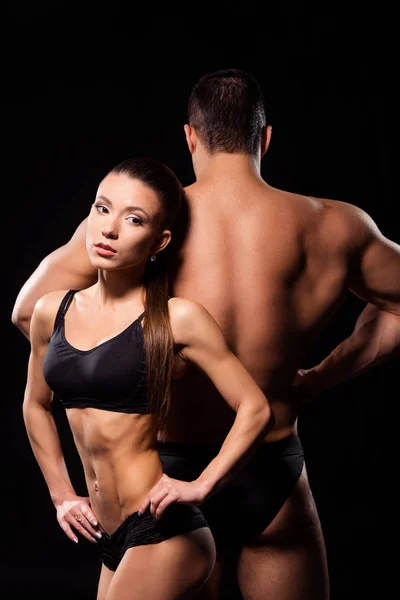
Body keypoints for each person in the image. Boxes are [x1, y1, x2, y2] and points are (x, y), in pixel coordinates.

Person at [12, 69, 400, 600]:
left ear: (189, 137)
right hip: (270, 463)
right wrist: (320, 378)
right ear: (265, 139)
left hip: (163, 470)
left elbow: (30, 311)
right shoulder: (336, 225)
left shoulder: (146, 220)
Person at [20, 155, 272, 600]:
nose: (110, 229)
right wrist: (62, 495)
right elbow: (36, 405)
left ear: (159, 241)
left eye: (133, 219)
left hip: (162, 530)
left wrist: (203, 483)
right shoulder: (51, 312)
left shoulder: (178, 319)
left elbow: (256, 408)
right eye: (102, 209)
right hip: (111, 538)